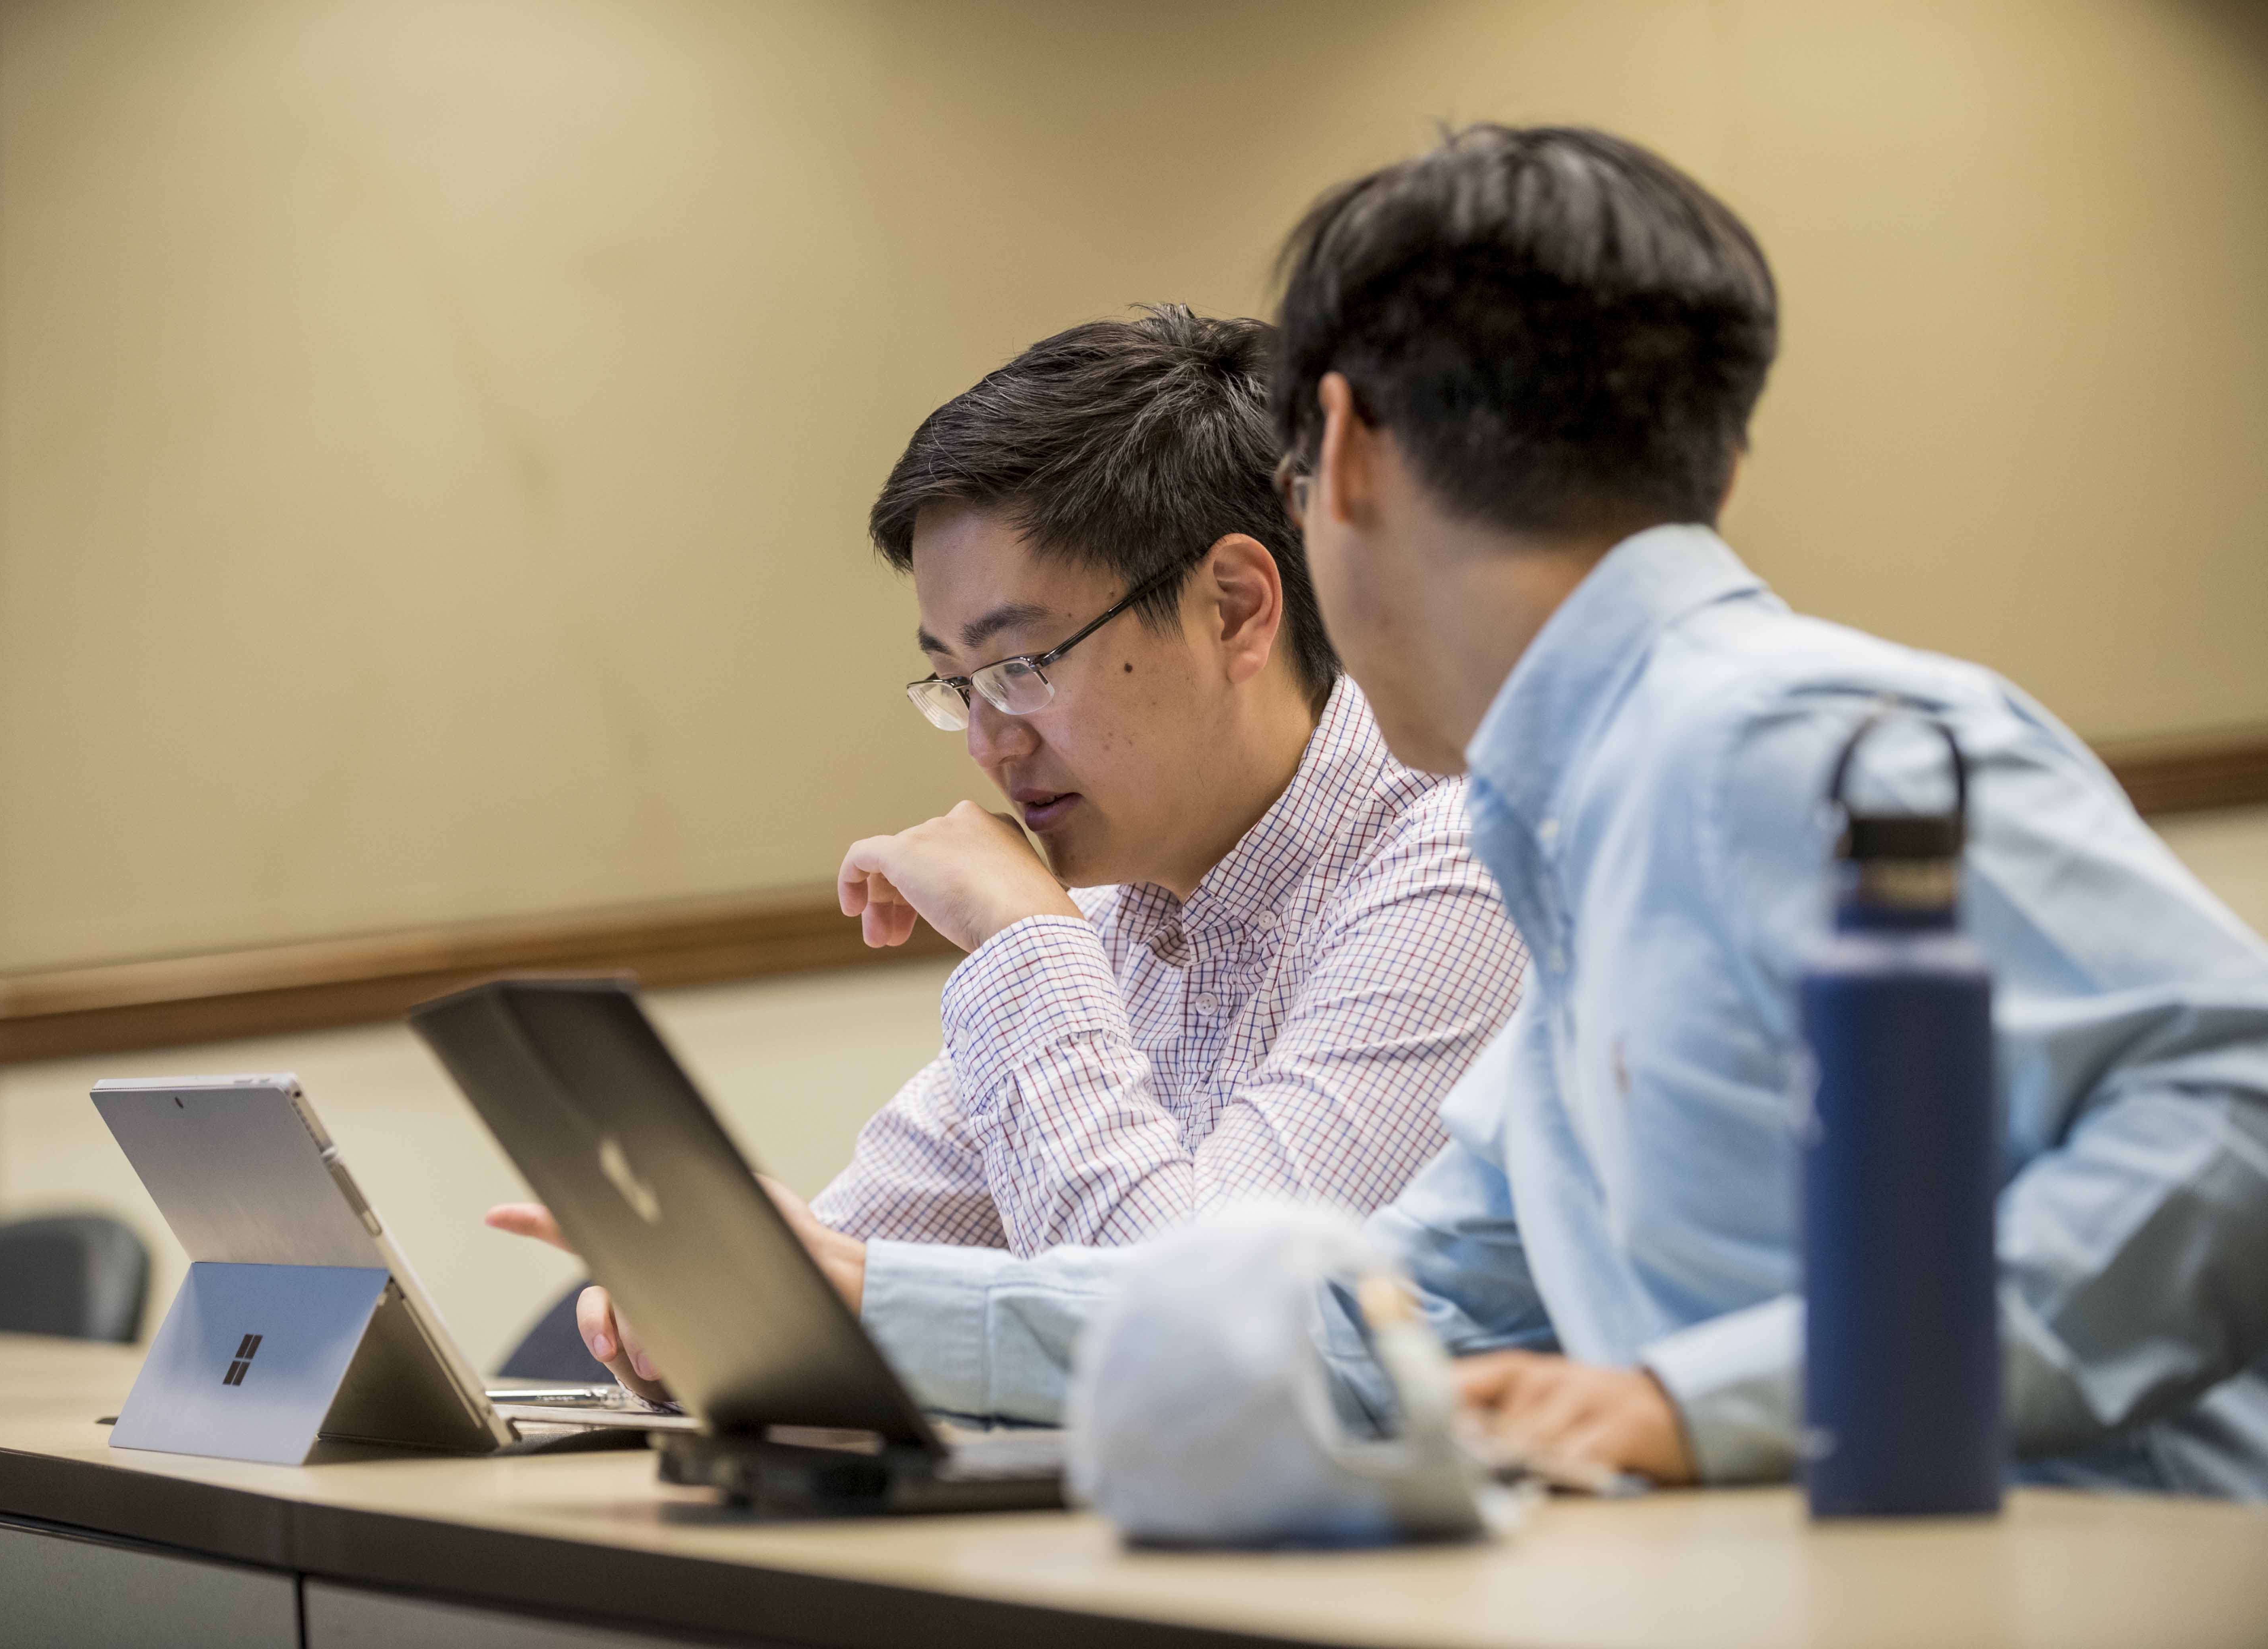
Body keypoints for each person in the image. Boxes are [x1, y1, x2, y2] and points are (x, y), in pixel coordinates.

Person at [745, 127, 2268, 1497]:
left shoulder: (1779, 736)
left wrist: (1703, 1402)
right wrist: (880, 1303)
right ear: (1714, 453)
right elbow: (1401, 1309)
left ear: (1333, 456)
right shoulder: (1574, 806)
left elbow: (2242, 1114)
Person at [489, 306, 1527, 1391]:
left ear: (1233, 609)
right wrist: (729, 1299)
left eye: (1024, 662)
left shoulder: (1461, 859)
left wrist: (1027, 942)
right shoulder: (1122, 902)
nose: (989, 743)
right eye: (958, 683)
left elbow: (1210, 1351)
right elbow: (868, 1275)